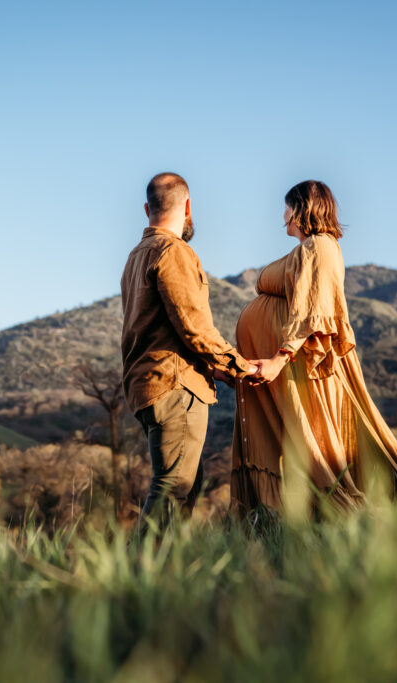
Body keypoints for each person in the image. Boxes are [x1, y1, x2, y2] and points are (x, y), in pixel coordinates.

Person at [230, 180, 397, 521]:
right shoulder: (309, 248)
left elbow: (312, 309)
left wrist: (279, 358)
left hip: (299, 367)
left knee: (313, 439)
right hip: (287, 368)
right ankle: (287, 518)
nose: (282, 215)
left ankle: (346, 514)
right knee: (300, 439)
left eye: (287, 207)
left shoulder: (319, 247)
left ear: (302, 209)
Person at [121, 172, 257, 525]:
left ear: (147, 208)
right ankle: (139, 574)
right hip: (173, 386)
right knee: (173, 489)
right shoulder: (173, 251)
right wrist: (240, 366)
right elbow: (194, 325)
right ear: (188, 206)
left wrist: (215, 369)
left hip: (146, 385)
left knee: (184, 486)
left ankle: (164, 573)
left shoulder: (136, 257)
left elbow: (164, 330)